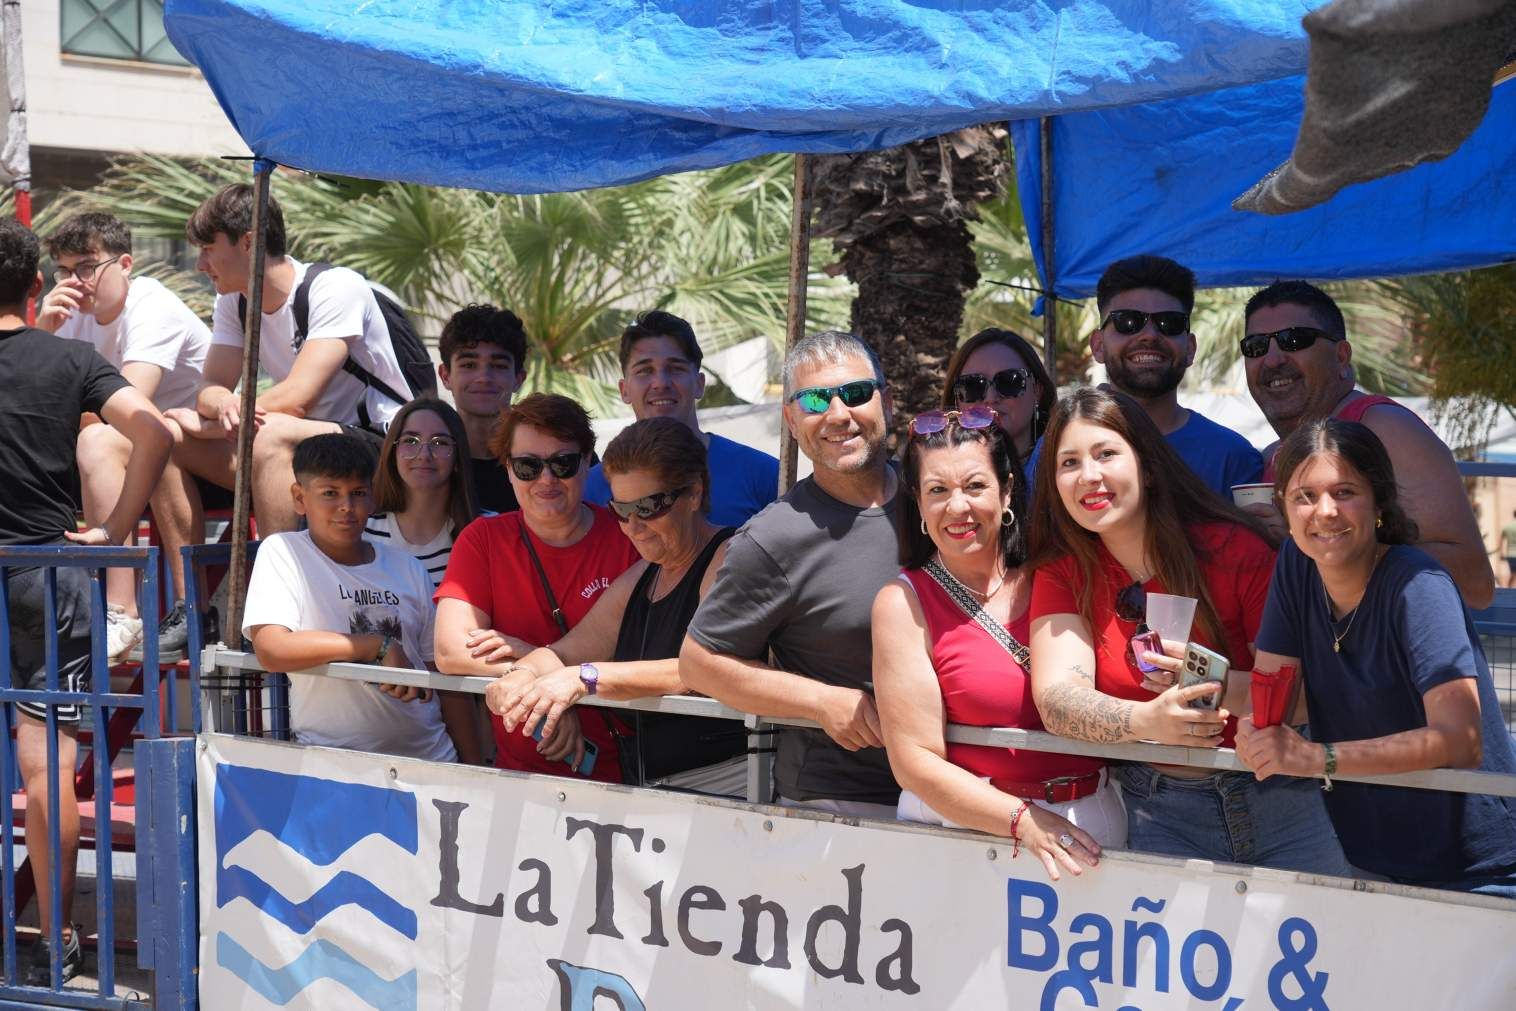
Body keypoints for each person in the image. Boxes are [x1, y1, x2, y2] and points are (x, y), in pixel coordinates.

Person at [1027, 387, 1351, 875]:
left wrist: (1213, 683)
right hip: (1156, 811)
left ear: (1149, 466)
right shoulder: (1062, 571)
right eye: (1068, 463)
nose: (1089, 475)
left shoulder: (1235, 549)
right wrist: (1146, 722)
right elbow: (1057, 701)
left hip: (1280, 799)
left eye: (1106, 454)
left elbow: (1306, 697)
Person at [1237, 420, 1516, 896]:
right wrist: (1255, 727)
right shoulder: (1296, 564)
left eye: (1344, 491)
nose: (1324, 512)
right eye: (1304, 496)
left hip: (1480, 871)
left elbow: (1461, 741)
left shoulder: (1418, 584)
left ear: (1380, 502)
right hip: (1370, 857)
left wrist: (1314, 757)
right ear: (1282, 505)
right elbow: (1273, 689)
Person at [0, 218, 173, 984]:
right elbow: (156, 430)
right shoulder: (71, 358)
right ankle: (55, 939)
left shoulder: (61, 345)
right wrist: (114, 526)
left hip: (29, 579)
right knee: (46, 773)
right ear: (35, 285)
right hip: (48, 575)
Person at [873, 405, 1124, 881]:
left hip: (1095, 821)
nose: (957, 507)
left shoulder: (1067, 572)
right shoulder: (902, 603)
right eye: (937, 491)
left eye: (975, 486)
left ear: (1007, 489)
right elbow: (914, 762)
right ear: (918, 504)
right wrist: (1024, 822)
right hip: (969, 836)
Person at [682, 330, 901, 817]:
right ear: (791, 419)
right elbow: (699, 662)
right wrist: (821, 702)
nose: (838, 415)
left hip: (967, 793)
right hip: (844, 806)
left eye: (856, 393)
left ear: (886, 401)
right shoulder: (773, 537)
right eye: (815, 400)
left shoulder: (940, 498)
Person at [483, 417, 747, 795]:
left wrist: (583, 678)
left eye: (650, 506)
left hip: (730, 783)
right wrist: (520, 676)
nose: (634, 526)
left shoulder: (728, 557)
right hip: (653, 786)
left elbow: (701, 667)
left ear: (693, 492)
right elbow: (563, 652)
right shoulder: (644, 575)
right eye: (621, 510)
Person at [167, 183, 415, 539]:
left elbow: (298, 399)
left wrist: (213, 424)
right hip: (301, 444)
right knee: (168, 437)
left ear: (250, 243)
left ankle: (276, 583)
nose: (200, 264)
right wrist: (225, 403)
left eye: (208, 249)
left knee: (269, 434)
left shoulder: (334, 286)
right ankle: (186, 594)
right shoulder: (234, 302)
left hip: (380, 444)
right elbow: (209, 388)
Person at [1242, 280, 1493, 607]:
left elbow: (1476, 583)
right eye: (1256, 347)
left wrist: (1310, 543)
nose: (1273, 359)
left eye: (1294, 340)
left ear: (1342, 355)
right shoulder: (1272, 456)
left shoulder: (1385, 429)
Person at [433, 393, 639, 781]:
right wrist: (545, 677)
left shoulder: (632, 534)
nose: (546, 479)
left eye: (562, 463)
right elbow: (448, 650)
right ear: (507, 470)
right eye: (528, 466)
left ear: (587, 464)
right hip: (522, 778)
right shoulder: (485, 539)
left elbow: (649, 654)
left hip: (629, 775)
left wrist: (543, 670)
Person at [40, 211, 210, 662]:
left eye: (87, 267)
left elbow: (129, 410)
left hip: (201, 453)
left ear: (126, 264)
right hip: (139, 455)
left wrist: (74, 417)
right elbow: (32, 409)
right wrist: (42, 335)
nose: (76, 281)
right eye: (64, 270)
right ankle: (37, 602)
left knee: (99, 441)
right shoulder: (69, 316)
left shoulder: (153, 307)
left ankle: (121, 610)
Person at [242, 434, 463, 761]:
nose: (346, 507)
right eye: (330, 493)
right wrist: (378, 645)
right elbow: (273, 649)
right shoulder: (284, 552)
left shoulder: (409, 568)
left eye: (358, 493)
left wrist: (472, 764)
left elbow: (443, 682)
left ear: (373, 498)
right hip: (337, 767)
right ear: (299, 498)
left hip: (433, 759)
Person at [367, 397, 484, 763]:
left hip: (472, 716)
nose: (424, 453)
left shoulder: (486, 534)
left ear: (458, 455)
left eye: (439, 443)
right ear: (392, 451)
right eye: (411, 440)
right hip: (376, 724)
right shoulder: (359, 532)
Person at [584, 310, 778, 527]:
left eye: (675, 368)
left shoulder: (763, 476)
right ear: (624, 389)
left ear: (699, 384)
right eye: (644, 371)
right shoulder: (589, 489)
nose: (660, 383)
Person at [1090, 255, 1263, 497]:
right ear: (1098, 345)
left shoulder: (1233, 458)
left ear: (1191, 348)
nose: (1149, 335)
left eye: (1169, 323)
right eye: (1128, 322)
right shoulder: (1063, 453)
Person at [435, 303, 527, 513]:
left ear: (519, 378)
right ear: (445, 376)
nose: (484, 378)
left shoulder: (552, 458)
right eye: (469, 365)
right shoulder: (424, 460)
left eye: (499, 366)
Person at [942, 327, 1054, 489]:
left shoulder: (1064, 465)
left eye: (1009, 382)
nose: (990, 398)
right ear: (956, 398)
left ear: (1037, 391)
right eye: (972, 385)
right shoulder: (930, 472)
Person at [1501, 510, 1516, 589]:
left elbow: (1501, 541)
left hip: (1510, 554)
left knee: (1513, 573)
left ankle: (1509, 589)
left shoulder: (1507, 527)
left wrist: (1501, 553)